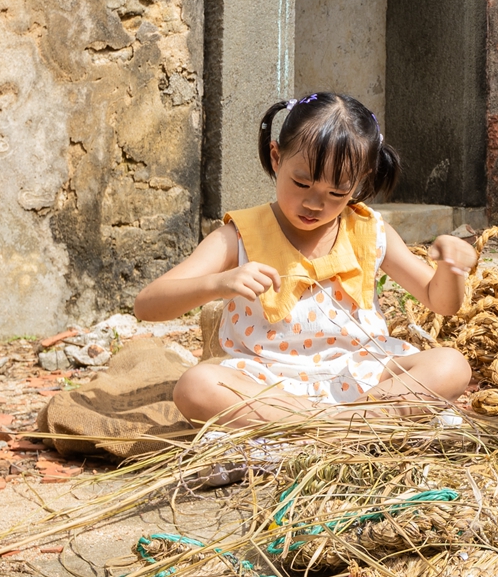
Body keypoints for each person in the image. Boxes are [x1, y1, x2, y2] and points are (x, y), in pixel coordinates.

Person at [134, 93, 477, 428]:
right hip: (269, 383)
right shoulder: (239, 236)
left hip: (363, 380)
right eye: (301, 183)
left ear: (361, 181)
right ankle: (337, 427)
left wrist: (452, 268)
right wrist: (218, 283)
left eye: (337, 193)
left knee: (451, 365)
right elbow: (147, 305)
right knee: (197, 385)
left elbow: (440, 301)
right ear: (276, 158)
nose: (314, 204)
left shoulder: (371, 231)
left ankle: (335, 425)